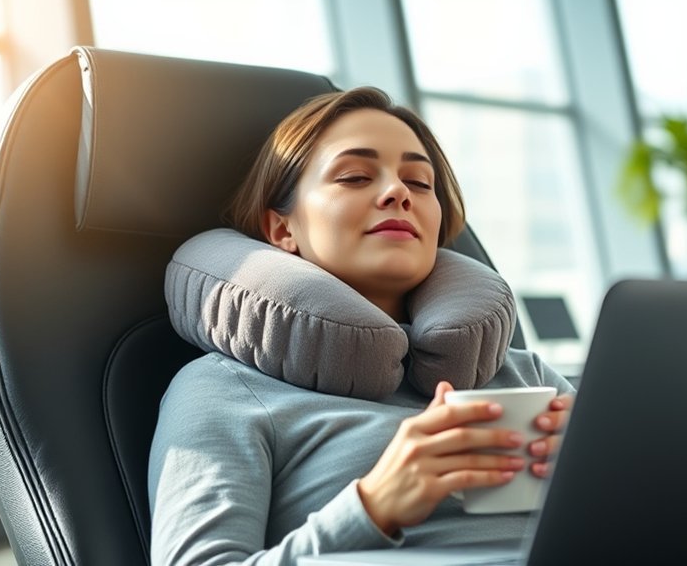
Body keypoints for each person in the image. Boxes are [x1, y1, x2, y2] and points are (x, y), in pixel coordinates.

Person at [149, 86, 576, 565]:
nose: (397, 192)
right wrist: (373, 507)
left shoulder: (527, 375)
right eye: (354, 176)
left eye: (419, 182)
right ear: (281, 230)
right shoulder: (223, 389)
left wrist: (607, 469)